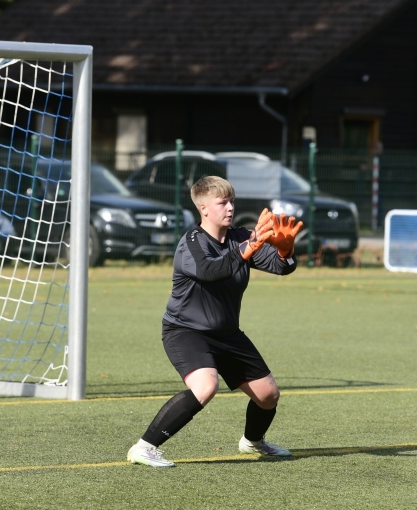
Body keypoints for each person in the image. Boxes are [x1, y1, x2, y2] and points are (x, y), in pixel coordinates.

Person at [126, 175, 302, 468]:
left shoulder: (240, 236)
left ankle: (252, 442)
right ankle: (144, 447)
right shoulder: (191, 243)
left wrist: (286, 251)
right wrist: (251, 245)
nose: (230, 207)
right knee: (206, 386)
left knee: (268, 395)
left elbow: (281, 267)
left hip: (227, 334)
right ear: (204, 208)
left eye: (232, 201)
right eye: (223, 202)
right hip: (186, 331)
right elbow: (211, 270)